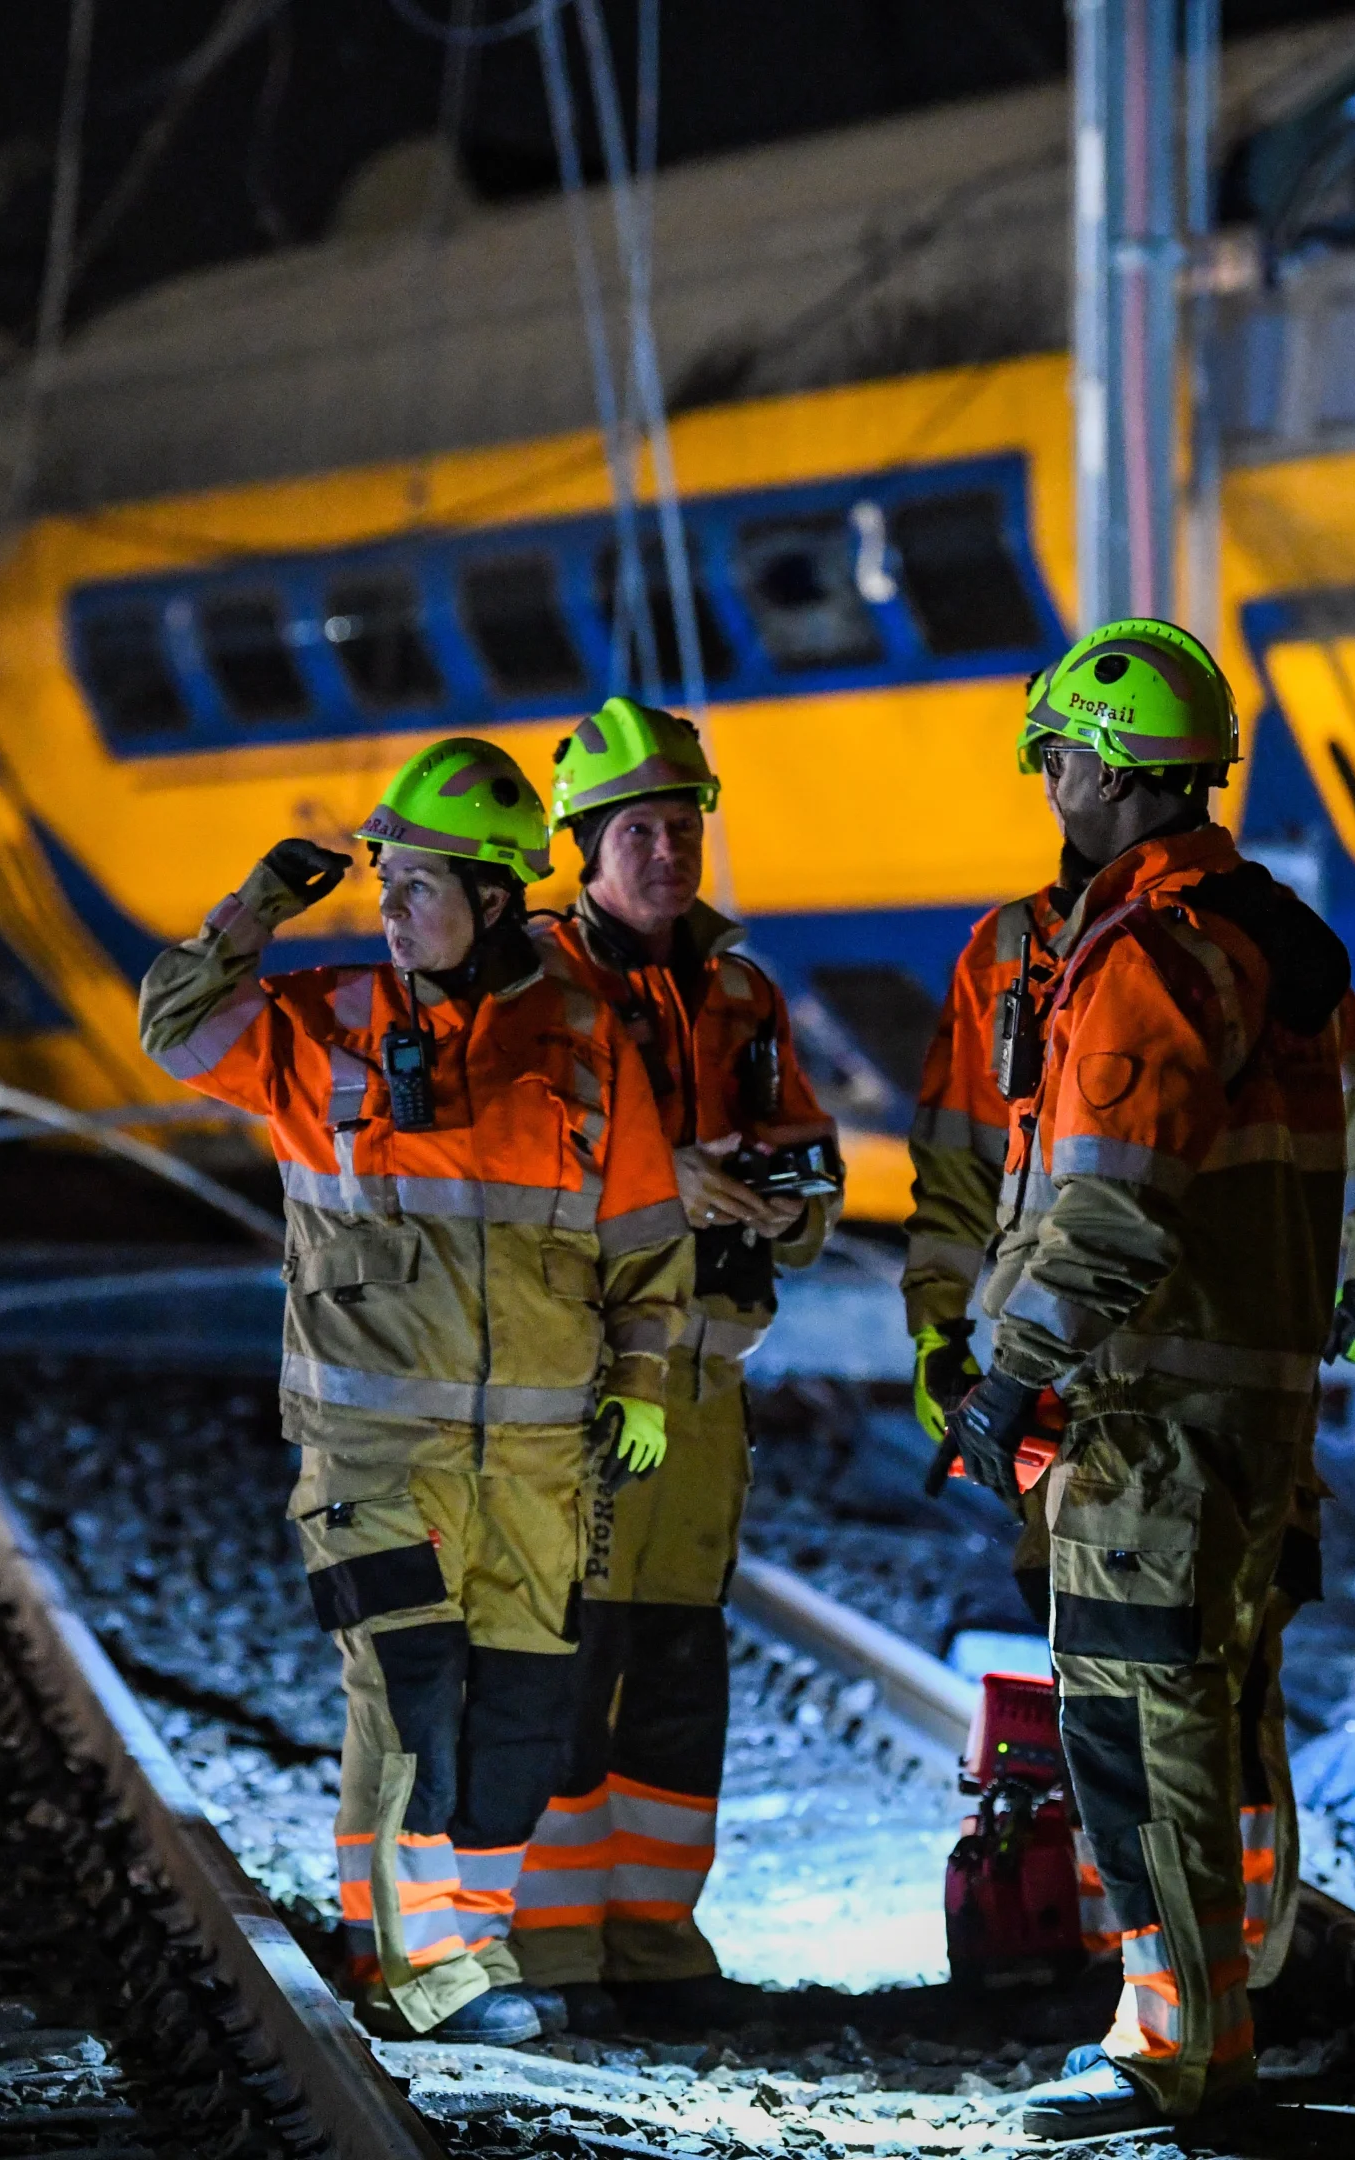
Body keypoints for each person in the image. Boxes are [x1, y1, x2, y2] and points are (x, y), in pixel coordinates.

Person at [924, 621, 1355, 2140]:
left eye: (1061, 761)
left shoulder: (1141, 959)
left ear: (1100, 772)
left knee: (1144, 1732)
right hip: (1246, 1404)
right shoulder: (1266, 935)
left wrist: (1008, 1380)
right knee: (1199, 1710)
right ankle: (1206, 2017)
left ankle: (1182, 2050)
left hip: (1145, 1415)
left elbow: (1110, 1207)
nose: (1052, 786)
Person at [137, 736, 691, 2047]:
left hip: (543, 1464)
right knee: (411, 1690)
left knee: (516, 1723)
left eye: (413, 885)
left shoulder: (584, 1048)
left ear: (494, 900)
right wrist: (261, 903)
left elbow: (648, 1246)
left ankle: (447, 1942)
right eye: (381, 882)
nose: (386, 907)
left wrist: (648, 1383)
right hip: (372, 1452)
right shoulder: (315, 1022)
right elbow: (169, 1026)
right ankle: (430, 1975)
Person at [511, 698, 838, 2036]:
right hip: (582, 1387)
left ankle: (653, 1932)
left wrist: (785, 1204)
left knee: (676, 1656)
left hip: (703, 1386)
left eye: (686, 823)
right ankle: (544, 1945)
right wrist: (670, 1187)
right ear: (580, 845)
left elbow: (809, 1150)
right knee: (568, 1658)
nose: (670, 850)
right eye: (640, 829)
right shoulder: (533, 987)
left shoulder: (740, 993)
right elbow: (505, 1172)